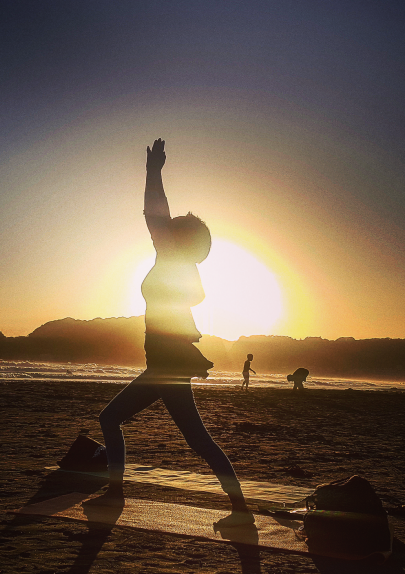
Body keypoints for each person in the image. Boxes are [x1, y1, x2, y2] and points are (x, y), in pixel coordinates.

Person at [99, 139, 253, 524]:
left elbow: (155, 213)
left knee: (118, 420)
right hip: (166, 364)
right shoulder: (180, 264)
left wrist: (154, 172)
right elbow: (161, 225)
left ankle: (116, 493)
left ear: (178, 236)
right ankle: (239, 508)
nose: (165, 228)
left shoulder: (172, 257)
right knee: (193, 439)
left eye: (173, 227)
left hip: (166, 364)